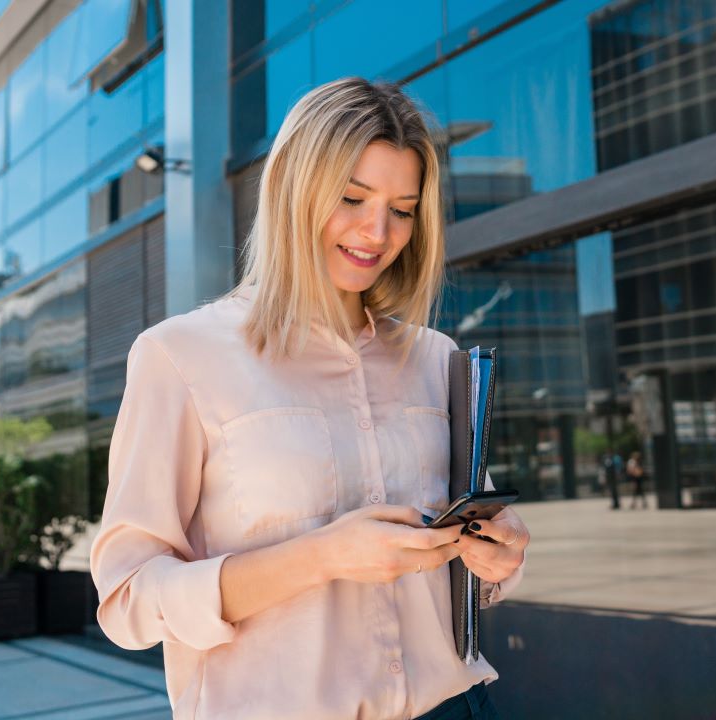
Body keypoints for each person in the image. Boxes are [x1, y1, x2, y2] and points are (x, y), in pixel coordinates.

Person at [89, 78, 529, 720]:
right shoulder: (180, 356)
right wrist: (321, 556)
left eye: (403, 208)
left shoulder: (437, 358)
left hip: (454, 705)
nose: (378, 232)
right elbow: (128, 601)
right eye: (352, 198)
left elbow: (473, 553)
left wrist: (501, 552)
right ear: (293, 189)